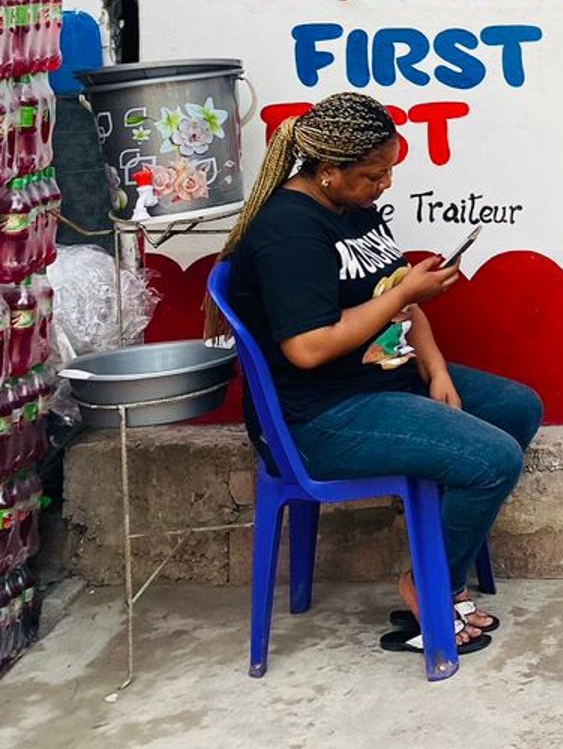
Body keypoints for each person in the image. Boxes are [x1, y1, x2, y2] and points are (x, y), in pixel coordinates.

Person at [210, 92, 542, 659]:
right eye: (372, 175)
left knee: (518, 408)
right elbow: (309, 349)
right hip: (319, 416)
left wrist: (436, 369)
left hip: (383, 378)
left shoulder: (352, 208)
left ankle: (436, 552)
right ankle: (431, 583)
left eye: (388, 170)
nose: (384, 184)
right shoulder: (290, 232)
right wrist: (407, 294)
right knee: (493, 460)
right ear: (329, 171)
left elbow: (398, 302)